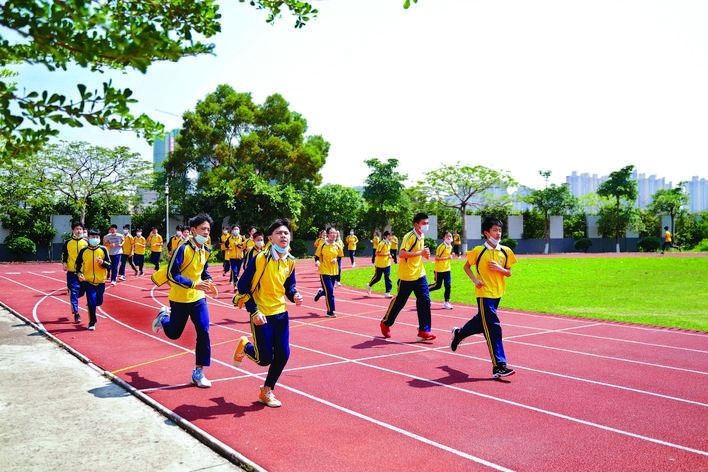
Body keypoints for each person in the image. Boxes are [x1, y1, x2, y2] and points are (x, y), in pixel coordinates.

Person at [232, 218, 303, 408]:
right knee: (265, 359)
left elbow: (289, 285)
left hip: (281, 314)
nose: (283, 236)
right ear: (270, 238)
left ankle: (267, 390)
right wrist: (254, 311)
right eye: (279, 233)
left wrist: (294, 294)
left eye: (286, 233)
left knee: (283, 354)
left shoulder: (290, 261)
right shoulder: (261, 259)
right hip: (261, 314)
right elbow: (243, 285)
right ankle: (245, 346)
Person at [151, 214, 218, 388]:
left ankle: (199, 372)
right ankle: (163, 317)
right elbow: (173, 275)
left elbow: (204, 271)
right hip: (179, 298)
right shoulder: (183, 249)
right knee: (174, 333)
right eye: (203, 229)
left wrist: (209, 282)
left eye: (208, 230)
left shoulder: (206, 250)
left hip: (198, 299)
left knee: (204, 331)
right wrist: (194, 284)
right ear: (193, 230)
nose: (206, 232)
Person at [451, 217, 517, 378]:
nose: (498, 233)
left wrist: (500, 268)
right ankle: (499, 366)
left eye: (500, 230)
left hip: (498, 294)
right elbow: (466, 266)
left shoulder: (506, 251)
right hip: (484, 294)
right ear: (487, 233)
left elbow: (509, 272)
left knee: (481, 323)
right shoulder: (479, 251)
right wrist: (475, 280)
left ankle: (459, 334)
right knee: (493, 327)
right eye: (495, 230)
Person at [380, 213, 436, 342]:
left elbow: (417, 253)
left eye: (427, 223)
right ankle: (386, 322)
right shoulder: (409, 236)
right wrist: (420, 253)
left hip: (420, 273)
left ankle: (424, 330)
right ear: (416, 224)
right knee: (400, 301)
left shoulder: (422, 235)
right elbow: (402, 254)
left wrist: (424, 255)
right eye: (424, 223)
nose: (426, 226)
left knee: (425, 300)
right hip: (407, 275)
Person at [75, 229, 111, 331]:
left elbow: (109, 265)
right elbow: (77, 265)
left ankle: (92, 305)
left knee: (98, 302)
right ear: (88, 238)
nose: (94, 239)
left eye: (97, 237)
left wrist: (102, 262)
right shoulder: (83, 251)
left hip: (101, 282)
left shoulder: (103, 250)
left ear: (99, 238)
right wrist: (79, 274)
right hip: (88, 281)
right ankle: (92, 322)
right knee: (91, 302)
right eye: (92, 237)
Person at [313, 226, 344, 317]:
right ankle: (330, 311)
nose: (334, 235)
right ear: (327, 234)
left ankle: (321, 292)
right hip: (324, 271)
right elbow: (316, 256)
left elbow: (340, 256)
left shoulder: (338, 245)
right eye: (331, 233)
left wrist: (336, 258)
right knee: (330, 291)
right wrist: (317, 262)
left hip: (334, 271)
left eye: (335, 233)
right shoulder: (322, 244)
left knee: (328, 291)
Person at [62, 221, 88, 323]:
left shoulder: (86, 242)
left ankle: (75, 297)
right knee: (74, 291)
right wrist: (64, 263)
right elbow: (64, 254)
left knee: (81, 293)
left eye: (80, 229)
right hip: (72, 272)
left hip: (83, 272)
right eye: (77, 229)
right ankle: (76, 313)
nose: (78, 231)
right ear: (73, 230)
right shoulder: (67, 242)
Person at [429, 230, 454, 310]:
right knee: (437, 286)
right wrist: (448, 257)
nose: (449, 238)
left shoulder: (450, 246)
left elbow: (448, 255)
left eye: (450, 236)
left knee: (448, 285)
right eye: (447, 236)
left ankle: (446, 302)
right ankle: (424, 290)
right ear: (444, 238)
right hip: (439, 270)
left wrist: (450, 255)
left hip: (447, 269)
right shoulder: (441, 247)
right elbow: (436, 258)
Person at [366, 230, 393, 298]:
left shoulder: (389, 243)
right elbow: (377, 253)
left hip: (387, 264)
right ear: (385, 236)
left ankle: (387, 292)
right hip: (380, 264)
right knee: (378, 278)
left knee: (387, 277)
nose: (391, 237)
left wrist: (389, 255)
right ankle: (369, 285)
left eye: (391, 235)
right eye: (389, 236)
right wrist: (386, 254)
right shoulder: (381, 244)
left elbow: (388, 252)